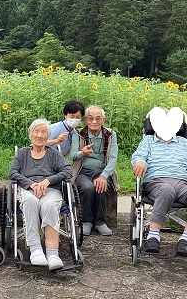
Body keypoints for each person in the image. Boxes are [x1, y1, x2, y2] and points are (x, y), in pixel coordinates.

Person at [131, 108, 187, 257]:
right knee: (166, 190)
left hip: (183, 183)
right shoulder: (148, 141)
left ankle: (186, 240)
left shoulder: (184, 143)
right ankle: (153, 236)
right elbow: (138, 156)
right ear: (154, 125)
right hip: (156, 182)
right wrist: (140, 162)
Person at [9, 118, 73, 271]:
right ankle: (36, 250)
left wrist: (47, 181)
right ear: (30, 135)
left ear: (47, 136)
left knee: (49, 205)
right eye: (36, 132)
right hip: (28, 190)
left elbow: (67, 171)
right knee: (30, 202)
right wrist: (31, 184)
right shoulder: (23, 153)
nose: (39, 135)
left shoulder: (53, 154)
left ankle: (52, 254)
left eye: (43, 132)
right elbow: (13, 172)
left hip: (50, 190)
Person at [70, 105, 118, 236]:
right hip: (82, 171)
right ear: (86, 120)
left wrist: (104, 176)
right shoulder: (78, 133)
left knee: (101, 186)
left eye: (98, 118)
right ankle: (86, 221)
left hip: (101, 171)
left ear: (103, 120)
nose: (94, 122)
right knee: (87, 187)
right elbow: (73, 155)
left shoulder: (110, 134)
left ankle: (100, 222)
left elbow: (113, 159)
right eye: (90, 118)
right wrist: (82, 153)